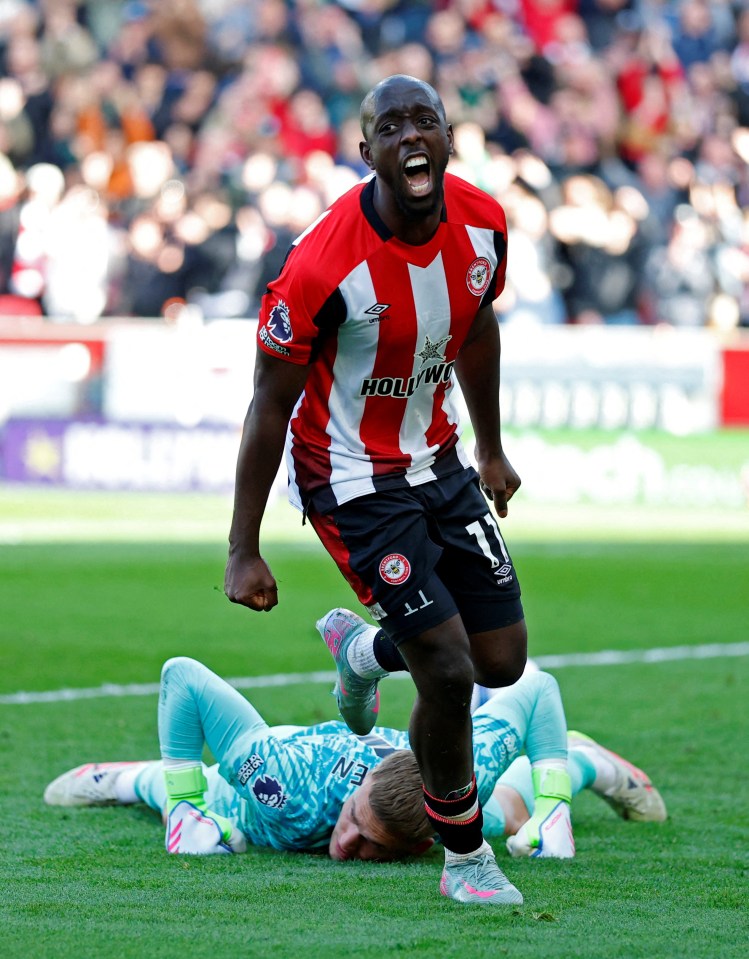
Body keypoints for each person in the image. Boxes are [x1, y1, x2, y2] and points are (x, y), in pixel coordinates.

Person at [224, 73, 529, 906]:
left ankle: (363, 652)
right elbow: (268, 405)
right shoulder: (319, 265)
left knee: (502, 661)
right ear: (367, 153)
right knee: (449, 669)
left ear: (445, 138)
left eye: (422, 120)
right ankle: (464, 860)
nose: (408, 135)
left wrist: (492, 448)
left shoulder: (483, 225)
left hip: (438, 463)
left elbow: (476, 327)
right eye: (389, 127)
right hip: (351, 480)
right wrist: (242, 545)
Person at [44, 654, 667, 878]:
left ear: (426, 846)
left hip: (430, 770)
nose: (346, 843)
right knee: (182, 790)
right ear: (358, 790)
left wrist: (555, 805)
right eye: (353, 821)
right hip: (278, 769)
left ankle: (590, 766)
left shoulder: (457, 772)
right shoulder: (283, 784)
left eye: (371, 844)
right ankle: (122, 780)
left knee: (506, 812)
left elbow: (537, 687)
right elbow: (182, 676)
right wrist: (184, 805)